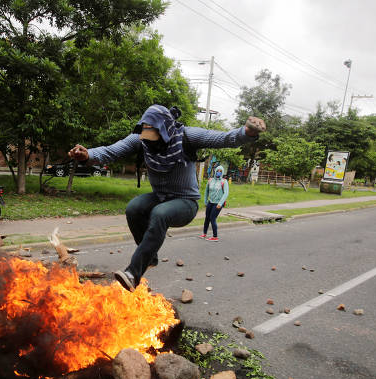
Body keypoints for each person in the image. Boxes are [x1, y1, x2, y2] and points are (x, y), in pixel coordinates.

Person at [68, 104, 265, 292]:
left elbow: (222, 139)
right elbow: (111, 151)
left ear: (165, 131)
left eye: (154, 136)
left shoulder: (187, 136)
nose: (149, 141)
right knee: (134, 208)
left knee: (159, 213)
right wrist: (87, 155)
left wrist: (246, 132)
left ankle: (133, 274)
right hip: (160, 197)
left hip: (185, 202)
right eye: (146, 135)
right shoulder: (141, 138)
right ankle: (150, 257)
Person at [200, 165, 229, 241]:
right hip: (210, 202)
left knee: (212, 218)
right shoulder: (210, 180)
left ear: (222, 173)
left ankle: (215, 236)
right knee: (207, 218)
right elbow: (206, 191)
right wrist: (205, 201)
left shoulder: (224, 181)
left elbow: (226, 193)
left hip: (218, 203)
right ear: (215, 171)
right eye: (217, 171)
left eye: (220, 171)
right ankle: (204, 233)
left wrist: (220, 203)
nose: (218, 172)